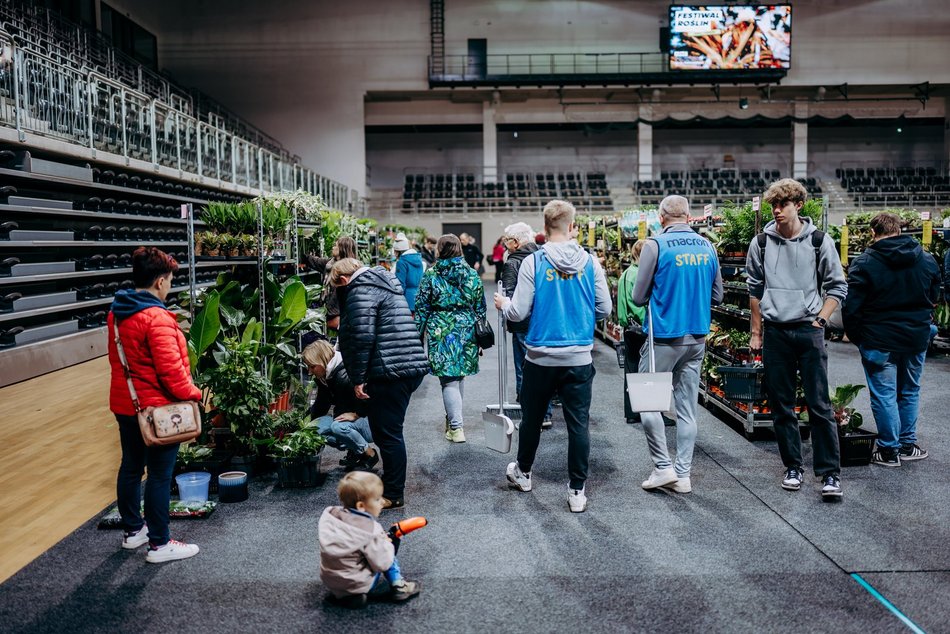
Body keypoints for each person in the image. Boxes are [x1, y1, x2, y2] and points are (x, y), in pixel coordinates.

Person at [494, 200, 611, 513]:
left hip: (540, 357)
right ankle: (576, 491)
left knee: (532, 420)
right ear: (572, 227)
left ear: (543, 229)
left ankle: (524, 473)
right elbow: (605, 309)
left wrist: (502, 305)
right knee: (578, 425)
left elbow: (518, 311)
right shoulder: (591, 262)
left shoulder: (534, 262)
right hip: (579, 357)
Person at [747, 178, 848, 500]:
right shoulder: (760, 242)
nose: (776, 211)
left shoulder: (819, 241)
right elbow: (754, 289)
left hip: (808, 330)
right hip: (776, 332)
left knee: (819, 405)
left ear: (798, 205)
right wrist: (756, 332)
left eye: (783, 205)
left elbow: (837, 286)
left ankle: (829, 473)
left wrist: (820, 318)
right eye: (773, 206)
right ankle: (793, 467)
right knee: (782, 406)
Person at [107, 246, 201, 563]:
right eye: (171, 280)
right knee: (160, 476)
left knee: (131, 467)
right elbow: (171, 373)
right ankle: (160, 545)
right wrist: (196, 394)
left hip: (126, 404)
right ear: (160, 281)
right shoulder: (156, 318)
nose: (170, 286)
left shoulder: (116, 312)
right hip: (157, 411)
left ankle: (134, 532)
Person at [632, 199, 722, 494]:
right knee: (687, 409)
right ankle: (683, 475)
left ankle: (662, 467)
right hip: (696, 338)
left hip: (663, 338)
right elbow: (718, 295)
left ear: (661, 217)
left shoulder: (655, 246)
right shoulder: (707, 246)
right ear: (688, 216)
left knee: (648, 404)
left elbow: (638, 296)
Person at [842, 211, 942, 466]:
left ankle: (889, 451)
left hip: (878, 340)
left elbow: (851, 309)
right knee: (909, 391)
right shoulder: (927, 260)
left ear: (873, 233)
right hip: (915, 339)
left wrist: (859, 339)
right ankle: (907, 446)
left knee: (884, 395)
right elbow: (933, 297)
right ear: (899, 230)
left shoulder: (864, 263)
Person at [330, 257, 430, 509]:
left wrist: (358, 378)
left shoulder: (358, 290)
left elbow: (362, 336)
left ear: (343, 280)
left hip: (389, 371)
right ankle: (392, 482)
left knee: (389, 435)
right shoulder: (386, 281)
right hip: (407, 365)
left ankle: (394, 494)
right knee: (388, 431)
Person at [414, 234, 487, 443]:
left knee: (448, 380)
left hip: (441, 330)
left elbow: (421, 308)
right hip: (466, 328)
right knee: (458, 376)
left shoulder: (431, 275)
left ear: (440, 250)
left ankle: (456, 427)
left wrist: (415, 336)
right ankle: (453, 420)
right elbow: (480, 307)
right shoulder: (472, 274)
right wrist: (480, 339)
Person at [319, 471, 420, 607]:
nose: (383, 502)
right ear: (361, 506)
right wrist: (385, 542)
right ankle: (399, 586)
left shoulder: (330, 515)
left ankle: (347, 594)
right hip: (357, 582)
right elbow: (382, 563)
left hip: (329, 580)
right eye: (378, 499)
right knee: (386, 552)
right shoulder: (371, 529)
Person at [501, 221, 553, 428]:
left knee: (524, 369)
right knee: (543, 367)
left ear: (515, 242)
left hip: (523, 323)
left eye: (506, 241)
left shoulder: (512, 263)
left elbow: (510, 295)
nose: (505, 245)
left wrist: (503, 305)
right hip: (545, 321)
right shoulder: (543, 257)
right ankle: (546, 413)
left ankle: (532, 415)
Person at [303, 338, 378, 471]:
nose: (310, 371)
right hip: (347, 417)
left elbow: (373, 398)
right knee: (315, 429)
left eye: (312, 366)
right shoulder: (326, 376)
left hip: (369, 421)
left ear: (322, 360)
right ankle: (355, 449)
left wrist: (357, 414)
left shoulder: (347, 373)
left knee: (338, 427)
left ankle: (369, 453)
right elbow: (322, 403)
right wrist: (305, 423)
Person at [617, 240, 648, 425]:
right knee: (649, 371)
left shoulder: (626, 273)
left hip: (628, 327)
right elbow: (638, 305)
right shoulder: (639, 275)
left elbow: (622, 304)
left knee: (631, 369)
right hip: (642, 327)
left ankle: (631, 412)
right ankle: (650, 411)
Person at [393, 232, 424, 312]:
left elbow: (400, 284)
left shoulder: (401, 262)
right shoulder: (418, 259)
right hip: (419, 297)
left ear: (398, 251)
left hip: (406, 299)